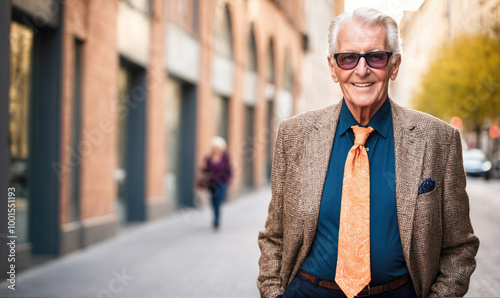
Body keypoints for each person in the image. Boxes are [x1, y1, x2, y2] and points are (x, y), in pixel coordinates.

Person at [257, 7, 479, 298]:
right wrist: (274, 292)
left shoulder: (439, 140)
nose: (361, 70)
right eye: (348, 58)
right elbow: (274, 236)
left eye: (375, 57)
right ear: (333, 68)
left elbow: (459, 246)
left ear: (394, 65)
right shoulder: (294, 135)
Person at [201, 136, 232, 230]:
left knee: (218, 201)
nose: (215, 149)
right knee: (213, 202)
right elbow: (205, 171)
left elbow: (229, 170)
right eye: (214, 147)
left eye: (217, 147)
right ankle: (215, 218)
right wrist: (203, 167)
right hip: (211, 183)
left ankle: (217, 221)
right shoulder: (209, 158)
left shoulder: (225, 157)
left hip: (222, 183)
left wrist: (229, 180)